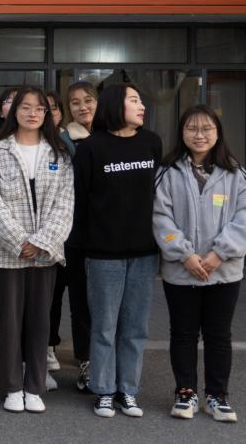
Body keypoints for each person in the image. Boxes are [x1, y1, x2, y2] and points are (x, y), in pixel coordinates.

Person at [153, 105, 246, 423]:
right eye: (192, 128)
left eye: (206, 129)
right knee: (183, 334)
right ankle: (185, 392)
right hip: (180, 270)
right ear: (182, 133)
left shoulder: (235, 173)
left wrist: (219, 253)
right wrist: (184, 254)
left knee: (218, 334)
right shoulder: (167, 171)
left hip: (223, 271)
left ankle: (217, 396)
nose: (199, 135)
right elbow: (160, 217)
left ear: (217, 133)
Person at [71, 83, 162, 419]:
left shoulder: (151, 142)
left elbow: (158, 196)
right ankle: (104, 390)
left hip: (144, 251)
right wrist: (83, 246)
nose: (142, 106)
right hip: (102, 254)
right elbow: (80, 202)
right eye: (134, 100)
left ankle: (128, 390)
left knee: (135, 327)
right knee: (104, 327)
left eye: (141, 100)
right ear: (115, 105)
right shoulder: (91, 148)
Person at [0, 86, 73, 414]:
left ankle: (34, 386)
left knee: (39, 322)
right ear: (13, 111)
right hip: (8, 252)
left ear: (47, 114)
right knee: (10, 323)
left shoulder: (59, 154)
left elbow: (65, 204)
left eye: (39, 108)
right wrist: (21, 242)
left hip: (45, 254)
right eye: (25, 107)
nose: (32, 113)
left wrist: (41, 242)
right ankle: (11, 386)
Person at [52, 81, 97, 393]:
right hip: (63, 233)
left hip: (96, 235)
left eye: (88, 100)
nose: (83, 107)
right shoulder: (62, 141)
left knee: (87, 302)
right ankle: (49, 351)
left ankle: (89, 358)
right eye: (76, 102)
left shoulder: (110, 137)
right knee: (57, 298)